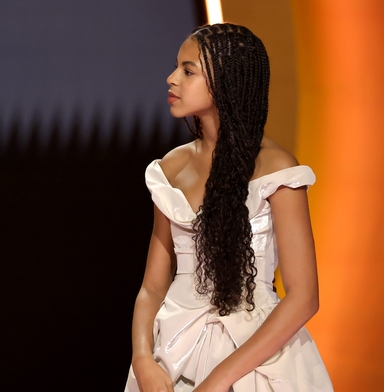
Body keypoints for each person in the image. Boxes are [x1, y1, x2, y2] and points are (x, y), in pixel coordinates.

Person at [125, 23, 332, 391]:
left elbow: (304, 296)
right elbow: (152, 288)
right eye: (177, 67)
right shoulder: (169, 169)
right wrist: (142, 359)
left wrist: (219, 380)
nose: (171, 79)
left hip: (258, 358)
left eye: (188, 71)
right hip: (172, 355)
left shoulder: (278, 169)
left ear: (226, 82)